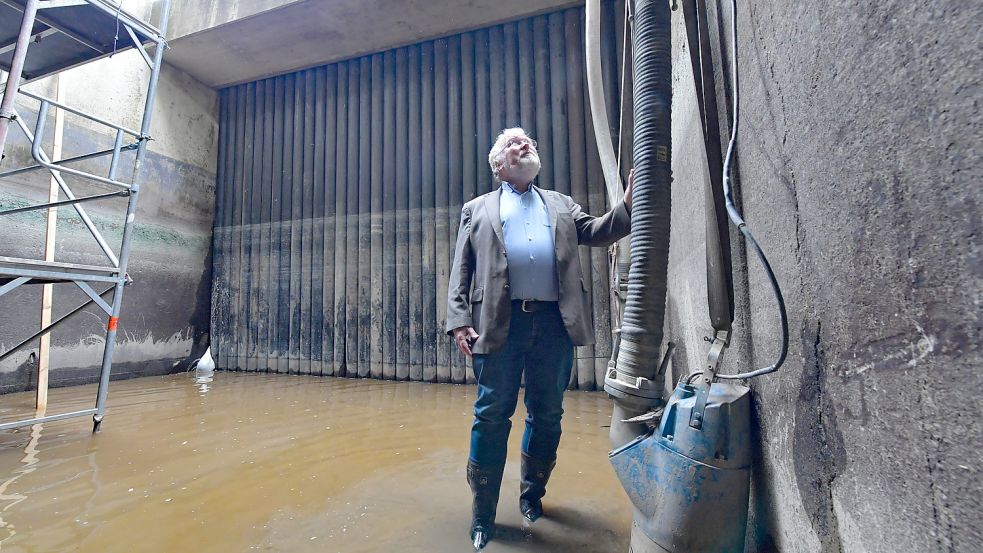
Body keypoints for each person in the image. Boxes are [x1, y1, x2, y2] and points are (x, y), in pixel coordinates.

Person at [446, 127, 633, 550]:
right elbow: (461, 268)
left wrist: (626, 205)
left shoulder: (561, 204)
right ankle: (483, 516)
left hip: (553, 324)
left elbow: (598, 231)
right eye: (513, 142)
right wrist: (459, 320)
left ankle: (532, 498)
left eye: (527, 139)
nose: (524, 143)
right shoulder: (476, 209)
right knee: (491, 415)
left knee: (547, 414)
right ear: (499, 165)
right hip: (499, 324)